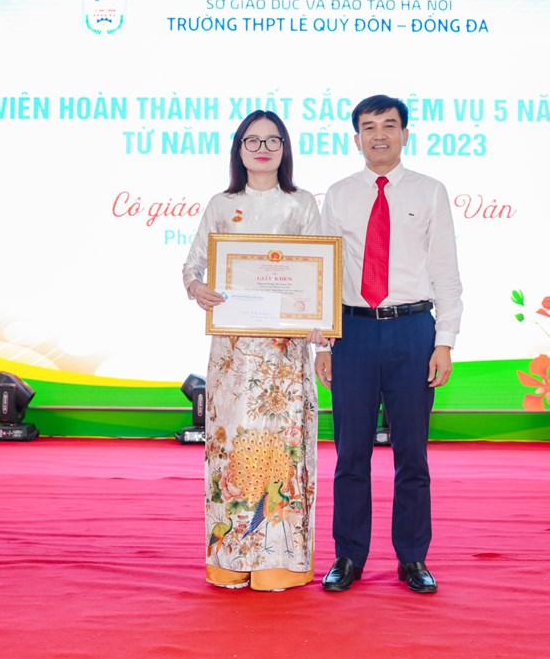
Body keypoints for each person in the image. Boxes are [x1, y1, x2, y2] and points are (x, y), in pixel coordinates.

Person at [315, 94, 463, 594]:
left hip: (412, 329)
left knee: (412, 454)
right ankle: (348, 556)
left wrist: (444, 341)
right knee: (350, 453)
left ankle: (412, 558)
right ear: (355, 137)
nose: (379, 135)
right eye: (368, 126)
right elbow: (326, 273)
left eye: (389, 125)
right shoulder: (338, 195)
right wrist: (323, 343)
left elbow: (446, 271)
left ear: (405, 133)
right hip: (352, 331)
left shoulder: (430, 191)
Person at [182, 109, 323, 592]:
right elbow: (192, 266)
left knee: (284, 448)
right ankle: (230, 559)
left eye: (273, 140)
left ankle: (281, 562)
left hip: (286, 352)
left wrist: (319, 323)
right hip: (233, 353)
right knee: (233, 449)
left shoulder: (301, 204)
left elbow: (318, 273)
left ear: (285, 149)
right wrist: (197, 289)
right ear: (238, 149)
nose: (263, 149)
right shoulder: (222, 205)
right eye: (252, 140)